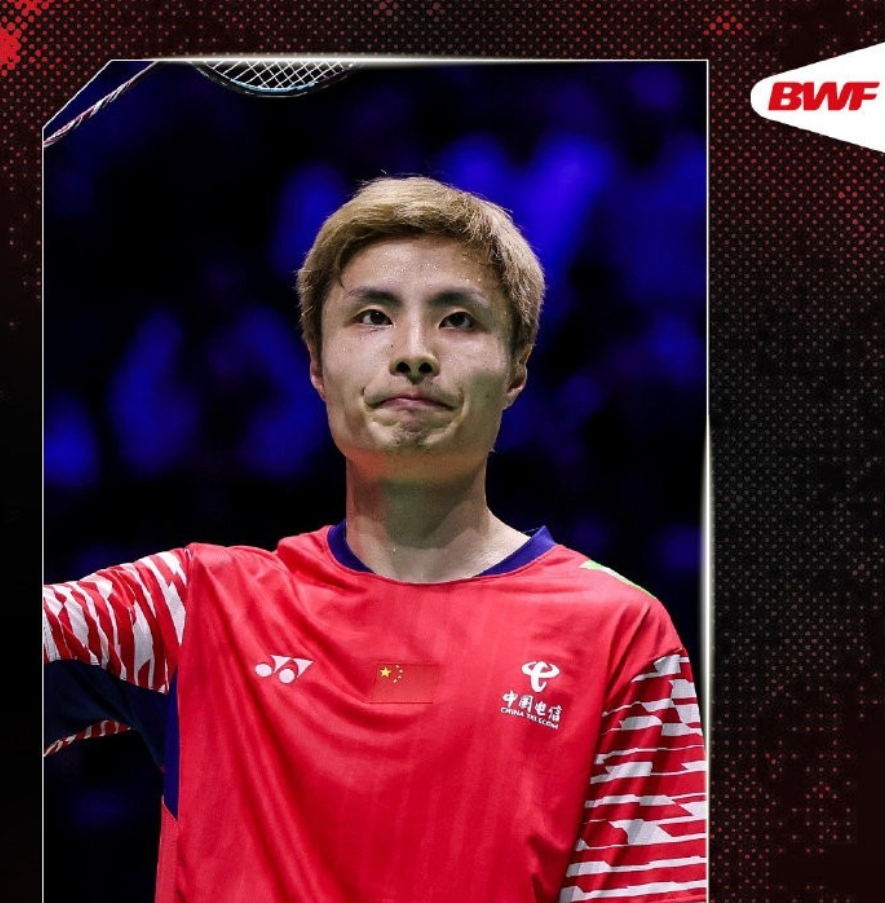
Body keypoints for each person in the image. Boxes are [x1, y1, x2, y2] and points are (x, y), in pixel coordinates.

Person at [43, 176, 706, 903]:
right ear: (316, 362)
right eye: (372, 316)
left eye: (458, 319)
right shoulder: (192, 608)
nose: (414, 352)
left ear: (517, 367)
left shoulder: (617, 635)